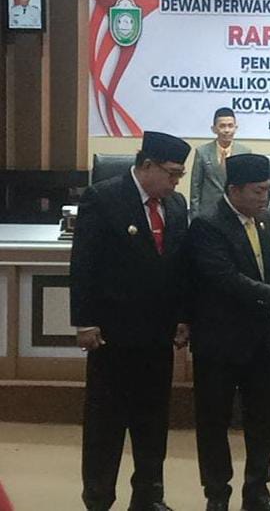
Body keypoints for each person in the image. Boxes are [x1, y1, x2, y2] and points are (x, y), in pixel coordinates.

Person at [70, 131, 192, 511]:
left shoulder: (175, 205)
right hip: (113, 334)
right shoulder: (104, 197)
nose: (176, 182)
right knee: (106, 425)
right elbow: (84, 263)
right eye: (171, 173)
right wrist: (85, 321)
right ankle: (99, 499)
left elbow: (179, 268)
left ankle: (148, 497)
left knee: (152, 422)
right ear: (147, 165)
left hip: (157, 335)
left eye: (180, 174)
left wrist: (183, 316)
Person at [188, 153, 270, 511]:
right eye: (258, 191)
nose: (265, 197)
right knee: (214, 422)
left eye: (268, 190)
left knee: (262, 419)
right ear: (234, 190)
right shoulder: (207, 225)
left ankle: (257, 490)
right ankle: (217, 493)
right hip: (218, 343)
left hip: (258, 343)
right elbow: (225, 279)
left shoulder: (264, 222)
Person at [190, 107, 251, 219]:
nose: (227, 130)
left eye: (230, 126)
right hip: (208, 212)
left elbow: (247, 186)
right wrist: (194, 217)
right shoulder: (202, 152)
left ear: (236, 128)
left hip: (235, 210)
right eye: (222, 126)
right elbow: (196, 187)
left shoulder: (245, 152)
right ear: (214, 129)